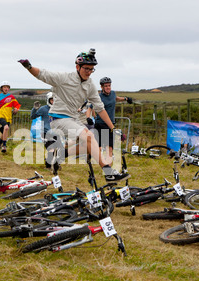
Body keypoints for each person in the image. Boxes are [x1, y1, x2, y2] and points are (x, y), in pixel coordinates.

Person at [18, 49, 129, 182]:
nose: (88, 72)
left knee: (90, 145)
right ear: (78, 67)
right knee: (88, 136)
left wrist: (113, 128)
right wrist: (29, 67)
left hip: (73, 118)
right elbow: (43, 74)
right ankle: (108, 171)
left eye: (91, 69)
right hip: (58, 117)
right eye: (86, 68)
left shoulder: (90, 85)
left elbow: (100, 108)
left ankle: (61, 154)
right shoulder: (65, 78)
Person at [93, 76, 132, 163]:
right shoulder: (99, 97)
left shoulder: (113, 93)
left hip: (110, 123)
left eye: (109, 85)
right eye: (106, 86)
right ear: (102, 87)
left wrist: (126, 99)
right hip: (100, 123)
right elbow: (91, 107)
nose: (108, 87)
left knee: (109, 147)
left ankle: (107, 165)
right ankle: (102, 163)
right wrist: (92, 116)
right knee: (99, 147)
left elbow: (116, 98)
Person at [0, 81, 21, 153]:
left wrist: (16, 109)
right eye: (4, 87)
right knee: (6, 127)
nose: (6, 88)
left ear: (9, 88)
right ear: (1, 88)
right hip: (0, 115)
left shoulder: (11, 97)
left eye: (7, 87)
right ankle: (4, 146)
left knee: (4, 131)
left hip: (8, 116)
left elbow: (17, 105)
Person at [31, 92, 52, 168]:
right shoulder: (43, 109)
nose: (53, 102)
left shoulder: (58, 109)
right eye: (51, 100)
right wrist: (34, 109)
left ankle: (50, 161)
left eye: (54, 100)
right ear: (48, 100)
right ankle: (49, 165)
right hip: (45, 133)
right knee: (51, 148)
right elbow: (33, 117)